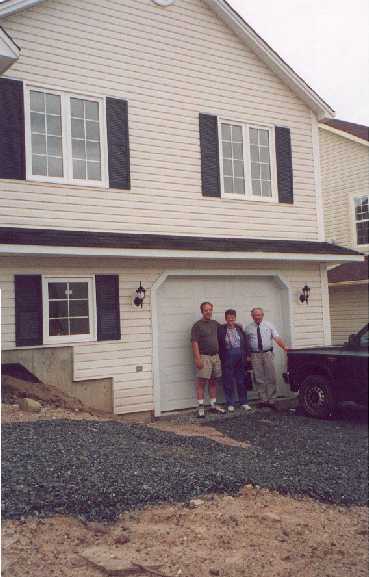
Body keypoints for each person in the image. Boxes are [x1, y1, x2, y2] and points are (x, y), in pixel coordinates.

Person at [245, 307, 288, 408]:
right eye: (255, 315)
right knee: (259, 378)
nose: (257, 317)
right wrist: (247, 356)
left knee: (271, 377)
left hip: (267, 353)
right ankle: (263, 400)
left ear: (262, 315)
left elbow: (276, 338)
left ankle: (272, 400)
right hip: (255, 355)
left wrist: (285, 347)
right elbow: (246, 343)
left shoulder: (269, 325)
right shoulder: (248, 328)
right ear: (252, 316)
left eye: (259, 315)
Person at [191, 302, 226, 418]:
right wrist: (197, 359)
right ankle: (201, 407)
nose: (208, 312)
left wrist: (237, 325)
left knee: (213, 382)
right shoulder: (197, 326)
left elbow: (225, 330)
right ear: (202, 311)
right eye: (206, 310)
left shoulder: (215, 323)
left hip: (215, 357)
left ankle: (213, 405)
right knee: (201, 383)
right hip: (204, 357)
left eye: (210, 309)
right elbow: (194, 342)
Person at [218, 309, 252, 412]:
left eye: (232, 318)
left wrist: (248, 355)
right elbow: (219, 343)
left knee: (241, 380)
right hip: (228, 355)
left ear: (235, 318)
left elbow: (246, 342)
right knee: (228, 380)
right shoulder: (221, 329)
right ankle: (230, 403)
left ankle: (244, 402)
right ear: (226, 318)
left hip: (240, 355)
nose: (231, 320)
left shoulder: (240, 328)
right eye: (229, 318)